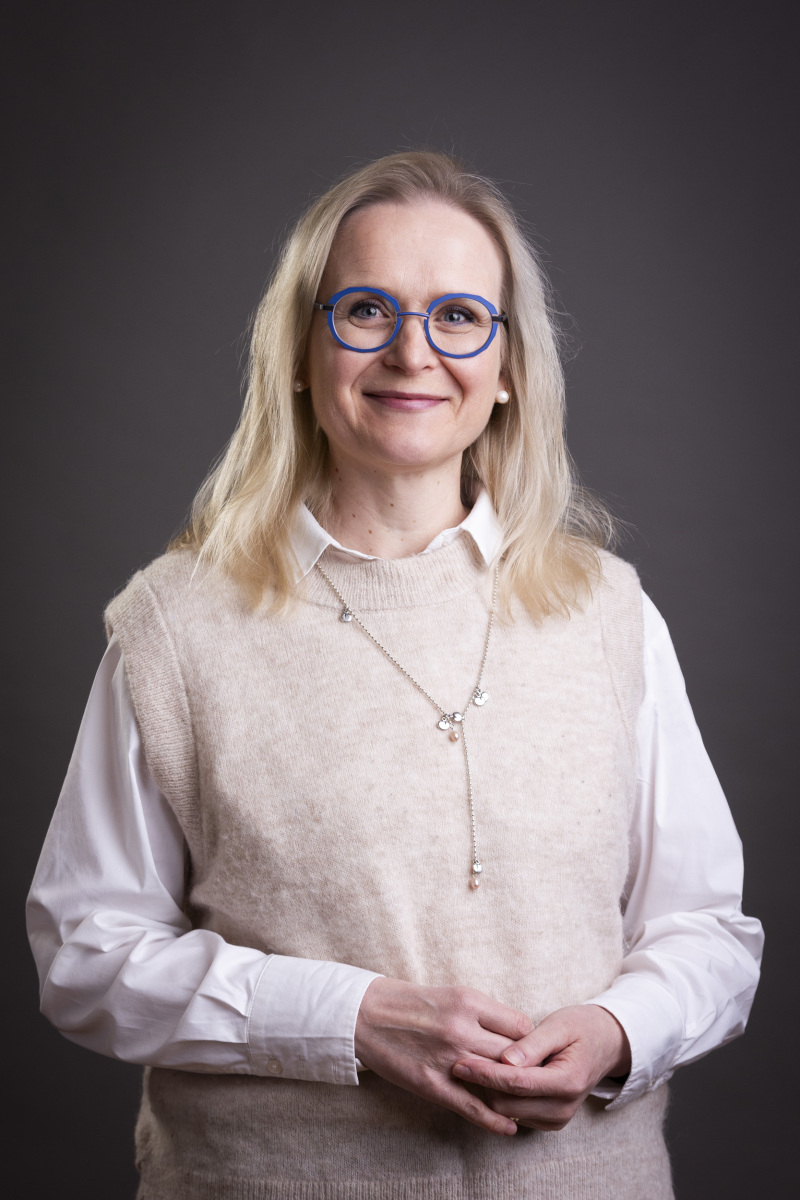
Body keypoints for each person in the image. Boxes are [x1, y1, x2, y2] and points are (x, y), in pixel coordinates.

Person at [27, 151, 763, 1200]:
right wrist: (350, 1021)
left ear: (507, 368)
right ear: (300, 351)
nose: (413, 352)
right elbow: (86, 956)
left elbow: (705, 931)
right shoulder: (175, 626)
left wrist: (615, 1030)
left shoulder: (610, 613)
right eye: (367, 309)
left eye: (459, 317)